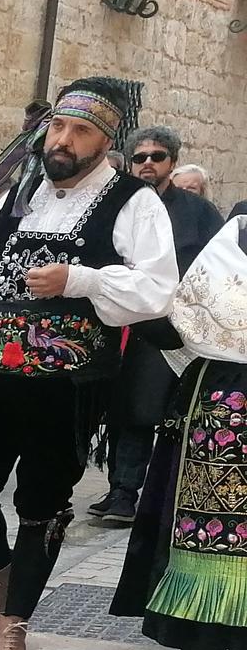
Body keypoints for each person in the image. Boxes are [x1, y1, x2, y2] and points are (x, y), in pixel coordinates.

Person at [0, 77, 177, 650]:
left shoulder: (133, 201)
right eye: (59, 127)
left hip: (70, 386)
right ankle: (1, 569)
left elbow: (155, 289)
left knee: (41, 506)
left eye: (82, 131)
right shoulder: (15, 197)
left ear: (106, 141)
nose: (64, 141)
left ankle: (14, 629)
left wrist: (83, 280)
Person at [110, 215, 247, 650]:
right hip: (212, 397)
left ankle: (240, 645)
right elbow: (189, 320)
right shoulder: (231, 239)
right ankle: (192, 631)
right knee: (193, 520)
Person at [93, 126, 223, 525]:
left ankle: (138, 494)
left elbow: (218, 264)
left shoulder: (197, 211)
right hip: (116, 322)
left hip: (170, 327)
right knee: (118, 407)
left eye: (158, 156)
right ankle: (119, 490)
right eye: (140, 157)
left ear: (173, 162)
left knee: (147, 408)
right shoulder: (114, 204)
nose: (148, 163)